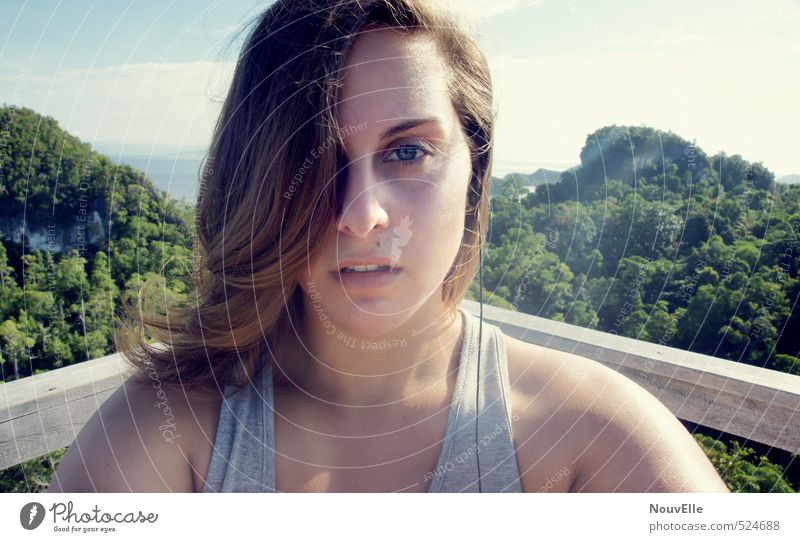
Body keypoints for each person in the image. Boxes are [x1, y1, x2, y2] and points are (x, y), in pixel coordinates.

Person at [48, 0, 729, 493]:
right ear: (254, 180)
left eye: (407, 151)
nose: (362, 214)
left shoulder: (593, 435)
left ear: (475, 172)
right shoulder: (170, 429)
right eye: (313, 157)